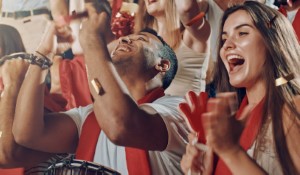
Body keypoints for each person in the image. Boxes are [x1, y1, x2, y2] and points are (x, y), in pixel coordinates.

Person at [12, 2, 189, 175]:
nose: (125, 38)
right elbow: (26, 133)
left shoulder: (177, 109)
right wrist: (44, 53)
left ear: (162, 64)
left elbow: (120, 125)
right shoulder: (89, 116)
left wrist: (91, 40)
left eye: (141, 39)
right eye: (126, 37)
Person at [180, 1, 300, 175]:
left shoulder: (292, 108)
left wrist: (231, 151)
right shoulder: (231, 121)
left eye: (242, 33)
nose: (227, 45)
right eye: (223, 39)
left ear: (273, 41)